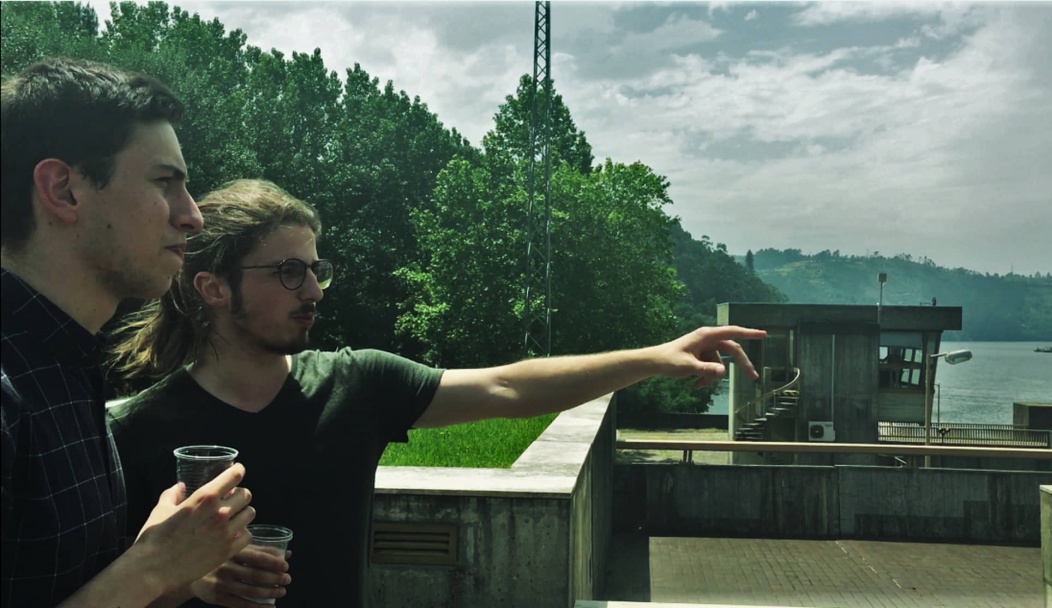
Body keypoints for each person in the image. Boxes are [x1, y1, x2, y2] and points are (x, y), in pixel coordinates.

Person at [106, 178, 767, 607]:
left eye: (314, 269)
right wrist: (186, 579)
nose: (313, 291)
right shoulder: (135, 431)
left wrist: (653, 358)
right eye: (287, 272)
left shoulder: (357, 383)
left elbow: (507, 386)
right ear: (214, 289)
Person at [1, 58, 258, 607]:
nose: (193, 216)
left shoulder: (67, 361)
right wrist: (153, 566)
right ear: (63, 190)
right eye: (165, 182)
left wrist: (173, 578)